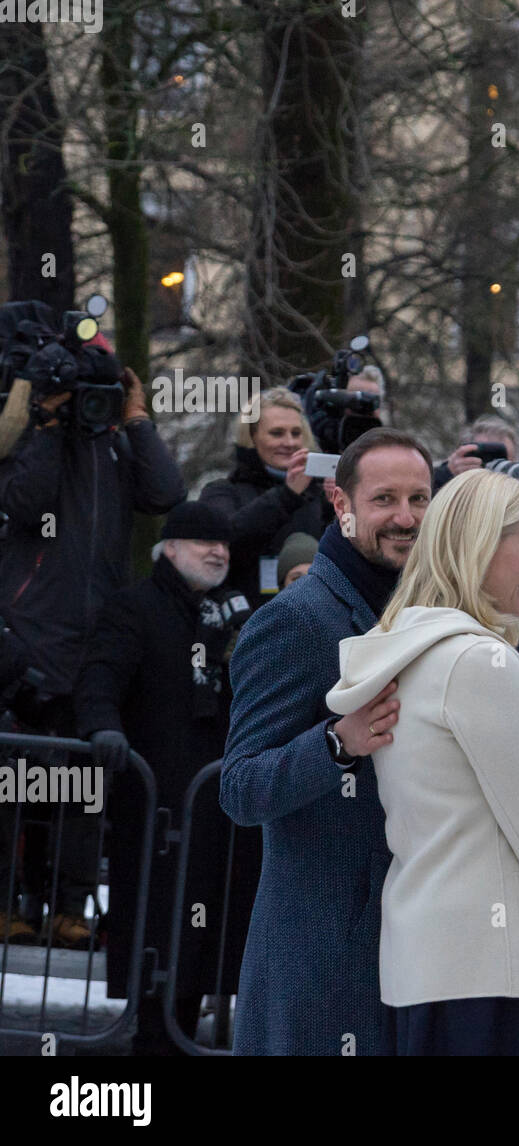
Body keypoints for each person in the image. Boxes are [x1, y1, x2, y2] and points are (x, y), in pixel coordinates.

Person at [325, 467, 519, 1056]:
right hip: (490, 972)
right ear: (480, 547)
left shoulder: (409, 652)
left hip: (425, 963)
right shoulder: (481, 665)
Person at [220, 427, 434, 1055]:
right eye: (385, 499)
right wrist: (336, 744)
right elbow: (240, 788)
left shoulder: (427, 615)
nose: (405, 517)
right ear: (341, 505)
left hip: (407, 943)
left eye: (419, 499)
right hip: (320, 953)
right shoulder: (296, 618)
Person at [0, 323, 184, 949]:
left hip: (97, 635)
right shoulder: (34, 438)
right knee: (16, 777)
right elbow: (25, 504)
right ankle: (10, 901)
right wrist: (49, 423)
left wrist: (135, 419)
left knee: (83, 782)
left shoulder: (116, 443)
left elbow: (165, 493)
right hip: (31, 632)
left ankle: (70, 906)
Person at [76, 501, 259, 1054]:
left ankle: (180, 1033)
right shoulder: (134, 608)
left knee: (203, 939)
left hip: (218, 810)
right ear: (170, 548)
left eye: (224, 542)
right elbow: (100, 678)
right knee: (159, 935)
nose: (218, 551)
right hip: (157, 809)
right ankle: (153, 1039)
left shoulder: (237, 615)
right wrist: (103, 728)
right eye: (204, 540)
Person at [433, 416, 519, 671]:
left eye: (504, 460)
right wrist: (445, 478)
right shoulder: (441, 503)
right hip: (453, 639)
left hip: (515, 641)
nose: (494, 468)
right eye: (483, 459)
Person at [199, 386, 328, 610]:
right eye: (277, 433)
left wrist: (339, 507)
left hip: (314, 616)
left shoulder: (319, 494)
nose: (289, 442)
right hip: (246, 622)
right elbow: (225, 541)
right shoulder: (222, 491)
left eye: (296, 433)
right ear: (251, 437)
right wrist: (287, 495)